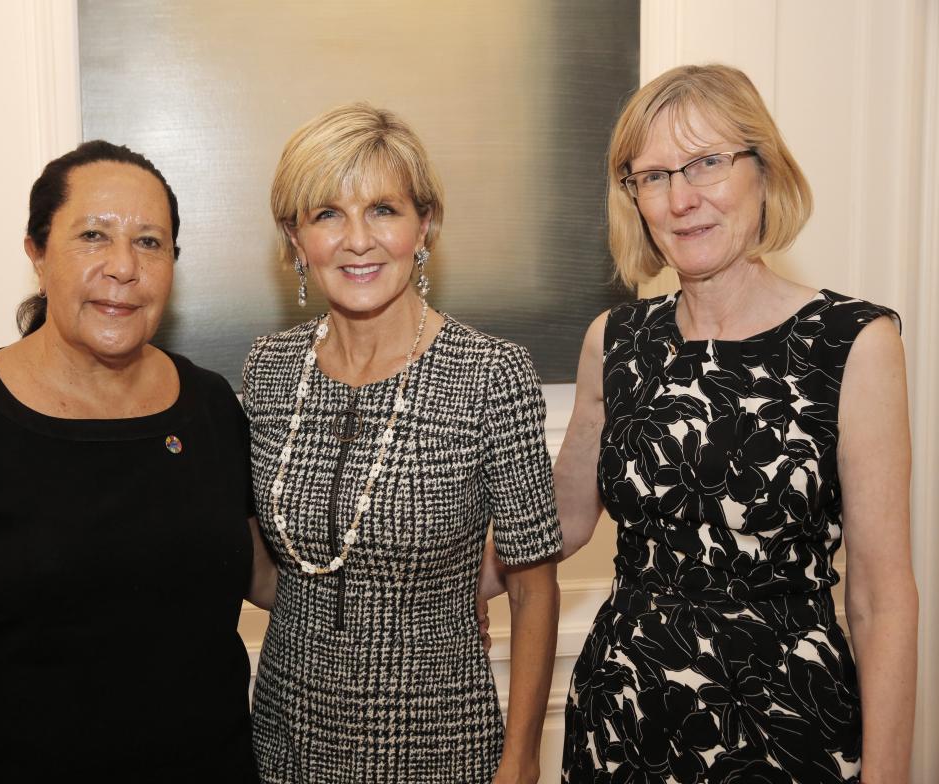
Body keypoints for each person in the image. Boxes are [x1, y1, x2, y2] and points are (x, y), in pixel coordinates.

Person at [0, 141, 276, 783]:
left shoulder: (212, 407)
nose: (124, 267)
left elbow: (272, 576)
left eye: (151, 243)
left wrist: (436, 558)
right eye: (93, 235)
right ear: (38, 253)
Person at [555, 64, 917, 782]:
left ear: (763, 169)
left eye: (707, 164)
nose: (680, 198)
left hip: (786, 728)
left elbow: (882, 597)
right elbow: (557, 522)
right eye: (652, 176)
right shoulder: (615, 339)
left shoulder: (853, 343)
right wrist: (435, 589)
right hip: (622, 717)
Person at [242, 103, 562, 784]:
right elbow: (275, 574)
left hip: (440, 743)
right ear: (296, 242)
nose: (358, 240)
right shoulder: (268, 371)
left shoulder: (491, 375)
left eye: (382, 209)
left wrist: (522, 761)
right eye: (327, 214)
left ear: (425, 227)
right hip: (285, 738)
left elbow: (535, 590)